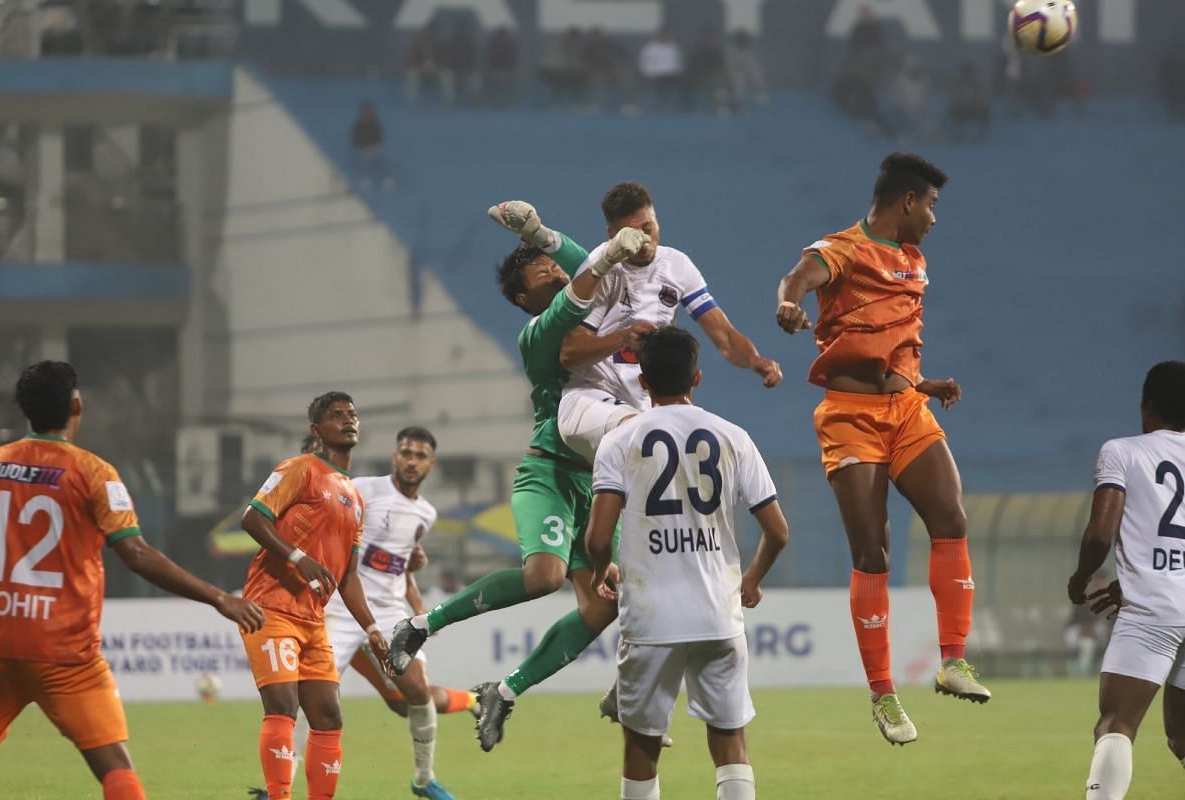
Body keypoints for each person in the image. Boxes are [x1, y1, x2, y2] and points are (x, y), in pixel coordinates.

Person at [0, 361, 263, 800]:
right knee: (115, 770)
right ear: (75, 405)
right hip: (64, 652)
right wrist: (219, 597)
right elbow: (137, 556)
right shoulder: (93, 472)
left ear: (25, 410)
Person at [388, 201, 650, 751]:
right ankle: (419, 626)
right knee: (544, 578)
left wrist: (551, 240)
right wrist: (601, 262)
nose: (557, 274)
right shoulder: (540, 331)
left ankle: (505, 692)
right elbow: (584, 283)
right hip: (549, 473)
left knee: (604, 604)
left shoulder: (591, 316)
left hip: (596, 482)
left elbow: (582, 271)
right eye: (543, 275)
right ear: (523, 299)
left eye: (556, 269)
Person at [775, 153, 989, 745]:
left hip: (906, 409)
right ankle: (884, 694)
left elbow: (891, 346)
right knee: (874, 552)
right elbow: (798, 277)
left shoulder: (914, 261)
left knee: (951, 517)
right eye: (933, 208)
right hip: (851, 419)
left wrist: (923, 383)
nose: (935, 221)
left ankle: (952, 660)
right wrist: (788, 303)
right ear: (908, 202)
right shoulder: (842, 248)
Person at [587, 327, 789, 800]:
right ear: (696, 377)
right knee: (729, 739)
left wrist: (600, 573)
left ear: (641, 381)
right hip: (718, 613)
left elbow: (598, 538)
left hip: (651, 617)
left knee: (642, 744)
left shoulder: (619, 442)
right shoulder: (732, 437)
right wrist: (752, 580)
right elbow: (778, 531)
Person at [557, 181, 781, 463]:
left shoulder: (677, 266)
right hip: (591, 398)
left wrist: (753, 360)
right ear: (612, 235)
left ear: (656, 220)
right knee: (652, 439)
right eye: (632, 234)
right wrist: (623, 337)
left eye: (648, 228)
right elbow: (569, 354)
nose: (644, 241)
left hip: (642, 408)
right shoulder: (600, 269)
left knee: (684, 454)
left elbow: (723, 336)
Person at [241, 392, 387, 800]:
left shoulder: (355, 499)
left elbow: (348, 576)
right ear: (316, 431)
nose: (348, 420)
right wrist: (296, 556)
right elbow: (252, 517)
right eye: (336, 415)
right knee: (283, 706)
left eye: (352, 414)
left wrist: (372, 628)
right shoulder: (300, 469)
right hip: (269, 607)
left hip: (312, 619)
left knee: (328, 714)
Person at [1067, 361, 1185, 800]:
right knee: (1183, 739)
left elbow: (1100, 533)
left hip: (1153, 609)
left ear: (1146, 406)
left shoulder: (1123, 451)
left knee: (1116, 724)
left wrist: (1081, 580)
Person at [322, 425, 460, 799]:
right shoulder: (364, 490)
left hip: (389, 613)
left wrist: (418, 608)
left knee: (417, 692)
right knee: (316, 694)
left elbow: (399, 566)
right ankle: (278, 787)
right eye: (405, 453)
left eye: (419, 456)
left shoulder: (426, 514)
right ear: (394, 456)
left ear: (431, 464)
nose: (411, 461)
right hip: (342, 607)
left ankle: (423, 779)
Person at [637, 29, 685, 111]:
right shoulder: (650, 48)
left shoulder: (673, 47)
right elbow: (643, 64)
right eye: (661, 35)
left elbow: (679, 64)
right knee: (657, 85)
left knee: (679, 84)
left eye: (665, 35)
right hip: (653, 76)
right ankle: (653, 109)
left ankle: (673, 109)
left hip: (670, 76)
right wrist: (651, 73)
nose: (663, 37)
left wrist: (674, 73)